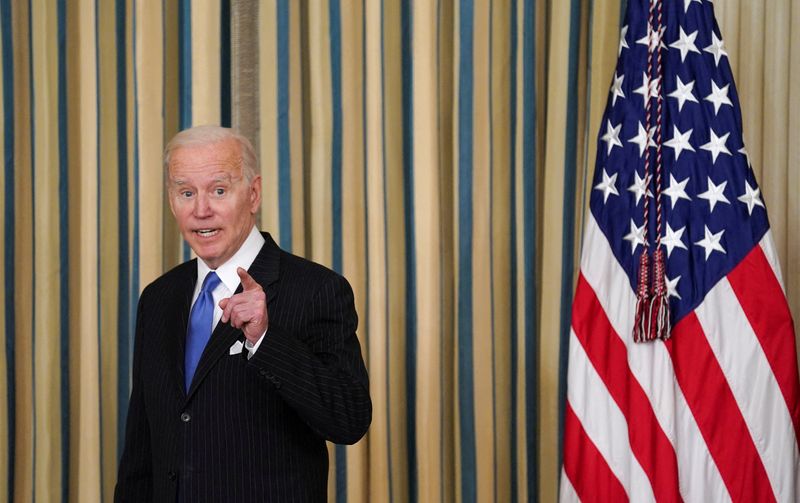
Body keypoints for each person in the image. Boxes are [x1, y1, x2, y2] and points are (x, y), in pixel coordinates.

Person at [114, 125, 371, 502]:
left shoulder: (316, 289)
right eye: (187, 192)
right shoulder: (158, 298)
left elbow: (349, 419)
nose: (201, 210)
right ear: (172, 202)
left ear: (253, 194)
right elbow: (142, 446)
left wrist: (266, 339)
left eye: (219, 190)